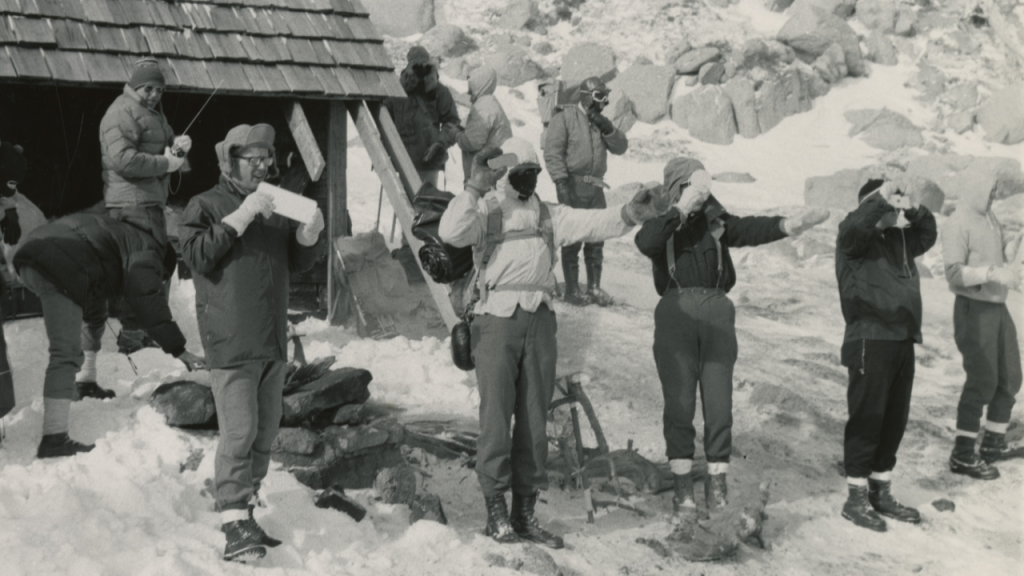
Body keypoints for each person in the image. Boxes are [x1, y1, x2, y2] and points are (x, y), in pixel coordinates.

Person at [438, 137, 668, 549]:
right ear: (506, 173)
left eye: (534, 172)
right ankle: (495, 516)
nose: (529, 179)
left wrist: (631, 213)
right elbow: (450, 231)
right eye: (521, 172)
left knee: (534, 421)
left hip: (539, 322)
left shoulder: (548, 214)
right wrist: (474, 187)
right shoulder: (487, 209)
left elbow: (593, 222)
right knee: (495, 420)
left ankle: (523, 516)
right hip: (495, 321)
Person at [634, 157, 829, 541]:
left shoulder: (715, 220)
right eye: (696, 186)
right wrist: (681, 206)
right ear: (679, 187)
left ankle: (717, 490)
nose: (705, 195)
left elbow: (745, 229)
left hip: (719, 316)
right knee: (680, 407)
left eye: (705, 187)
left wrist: (788, 226)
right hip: (677, 314)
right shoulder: (664, 221)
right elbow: (646, 242)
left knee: (720, 407)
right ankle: (684, 494)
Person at [179, 123, 323, 563]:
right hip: (231, 338)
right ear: (230, 160)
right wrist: (240, 216)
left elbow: (296, 262)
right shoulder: (205, 204)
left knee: (264, 433)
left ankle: (245, 507)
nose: (262, 165)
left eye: (266, 158)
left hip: (271, 339)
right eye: (252, 158)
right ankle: (232, 521)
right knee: (239, 431)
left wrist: (309, 234)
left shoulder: (276, 205)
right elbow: (197, 255)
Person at [12, 209, 205, 458]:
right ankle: (54, 437)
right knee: (65, 353)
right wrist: (179, 349)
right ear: (162, 266)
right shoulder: (147, 252)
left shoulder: (122, 236)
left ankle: (85, 382)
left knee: (94, 312)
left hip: (33, 253)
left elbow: (97, 292)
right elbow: (148, 301)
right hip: (57, 265)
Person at [835, 178, 937, 532]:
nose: (894, 212)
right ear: (871, 205)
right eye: (887, 206)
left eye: (895, 207)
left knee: (894, 419)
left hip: (902, 339)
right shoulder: (853, 239)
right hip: (870, 337)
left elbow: (927, 233)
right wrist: (879, 199)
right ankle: (855, 497)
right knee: (868, 417)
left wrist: (913, 207)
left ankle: (880, 490)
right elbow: (855, 225)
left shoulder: (900, 239)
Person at [99, 57, 192, 359]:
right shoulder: (121, 112)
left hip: (150, 203)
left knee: (161, 263)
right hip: (129, 204)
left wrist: (177, 145)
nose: (154, 95)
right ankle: (131, 338)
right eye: (148, 88)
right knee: (138, 271)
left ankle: (143, 330)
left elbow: (162, 145)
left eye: (159, 89)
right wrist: (167, 162)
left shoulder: (153, 114)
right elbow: (123, 160)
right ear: (135, 86)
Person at [941, 177, 1022, 480]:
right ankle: (962, 454)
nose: (995, 197)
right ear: (974, 189)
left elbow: (997, 251)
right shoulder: (957, 223)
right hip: (973, 309)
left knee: (1011, 376)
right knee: (983, 379)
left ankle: (993, 444)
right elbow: (952, 273)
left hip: (997, 308)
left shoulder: (989, 217)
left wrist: (1011, 248)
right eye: (991, 192)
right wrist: (992, 273)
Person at [543, 76, 628, 306]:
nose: (605, 102)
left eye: (606, 97)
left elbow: (621, 147)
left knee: (597, 239)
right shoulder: (565, 118)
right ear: (587, 97)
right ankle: (572, 290)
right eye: (601, 97)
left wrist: (606, 126)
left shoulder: (600, 122)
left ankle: (594, 287)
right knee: (573, 237)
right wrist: (561, 182)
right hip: (574, 185)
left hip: (596, 188)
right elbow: (553, 152)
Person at [384, 46, 461, 188]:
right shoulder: (398, 89)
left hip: (412, 158)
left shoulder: (396, 89)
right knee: (425, 204)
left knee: (408, 205)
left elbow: (383, 120)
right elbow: (453, 122)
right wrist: (440, 143)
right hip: (420, 159)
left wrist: (440, 144)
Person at [457, 66, 512, 184]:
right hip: (492, 171)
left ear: (479, 83)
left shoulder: (484, 108)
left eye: (471, 84)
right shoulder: (488, 104)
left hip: (484, 177)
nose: (469, 90)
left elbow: (472, 143)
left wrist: (456, 135)